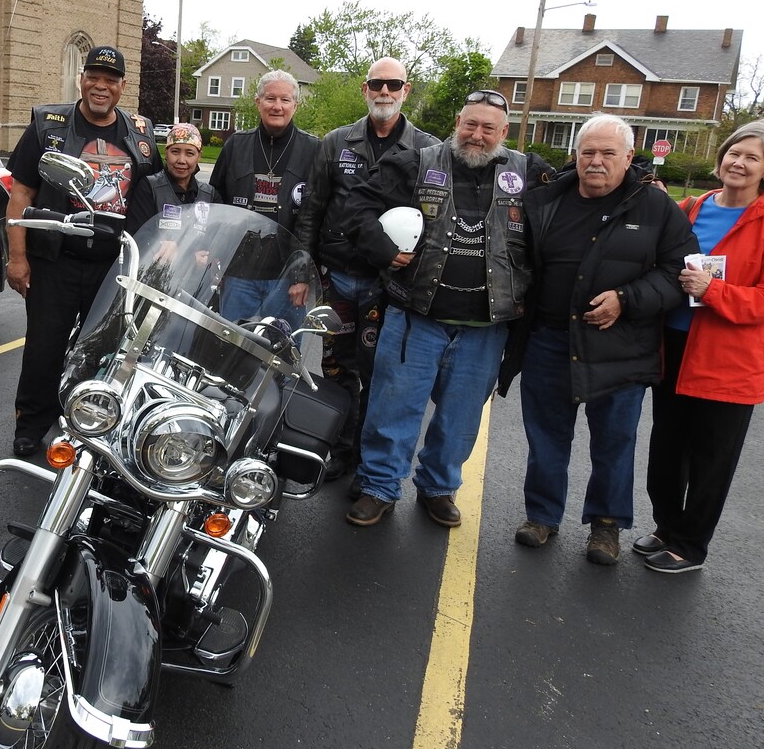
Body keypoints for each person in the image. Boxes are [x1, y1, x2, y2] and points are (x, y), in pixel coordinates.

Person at [339, 89, 552, 528]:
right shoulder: (416, 163)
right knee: (392, 408)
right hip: (415, 316)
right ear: (458, 122)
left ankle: (438, 487)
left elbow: (584, 192)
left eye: (488, 128)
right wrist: (382, 248)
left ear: (504, 132)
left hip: (486, 326)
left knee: (459, 419)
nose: (477, 135)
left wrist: (640, 178)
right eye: (470, 125)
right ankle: (380, 486)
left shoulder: (529, 172)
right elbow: (357, 206)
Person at [500, 113, 697, 565]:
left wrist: (627, 300)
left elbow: (679, 272)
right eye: (588, 152)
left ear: (629, 157)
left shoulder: (656, 208)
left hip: (620, 345)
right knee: (547, 435)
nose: (596, 161)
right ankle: (542, 516)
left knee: (614, 441)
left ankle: (606, 527)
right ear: (576, 155)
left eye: (608, 153)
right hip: (549, 339)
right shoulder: (546, 200)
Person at [638, 120, 764, 573]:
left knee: (711, 456)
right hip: (673, 346)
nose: (739, 163)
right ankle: (667, 527)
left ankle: (690, 546)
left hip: (730, 358)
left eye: (752, 158)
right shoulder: (691, 207)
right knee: (667, 448)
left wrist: (713, 291)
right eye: (734, 152)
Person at [5, 45, 161, 457]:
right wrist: (17, 257)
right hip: (55, 260)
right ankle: (32, 422)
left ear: (123, 87)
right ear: (82, 78)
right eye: (94, 76)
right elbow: (21, 191)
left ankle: (87, 423)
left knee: (101, 350)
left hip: (112, 265)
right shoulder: (47, 125)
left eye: (111, 80)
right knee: (45, 346)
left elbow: (155, 196)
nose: (101, 86)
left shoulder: (140, 134)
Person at [294, 57, 439, 487]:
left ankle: (368, 462)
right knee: (336, 369)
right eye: (377, 83)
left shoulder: (427, 149)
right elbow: (312, 211)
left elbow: (433, 220)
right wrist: (303, 270)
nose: (385, 92)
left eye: (394, 84)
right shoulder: (336, 142)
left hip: (387, 286)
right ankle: (340, 451)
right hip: (336, 279)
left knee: (381, 374)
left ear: (406, 90)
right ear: (365, 88)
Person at [209, 69, 320, 327]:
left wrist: (302, 276)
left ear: (296, 105)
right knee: (230, 353)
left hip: (287, 278)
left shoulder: (314, 149)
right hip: (239, 274)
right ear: (258, 102)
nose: (277, 106)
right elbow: (216, 205)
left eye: (285, 100)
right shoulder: (236, 145)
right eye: (270, 99)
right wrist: (218, 259)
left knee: (281, 357)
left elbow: (314, 217)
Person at [125, 122, 220, 234]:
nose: (181, 160)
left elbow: (217, 237)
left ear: (199, 156)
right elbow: (138, 235)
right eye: (175, 152)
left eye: (190, 153)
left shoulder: (209, 195)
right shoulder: (149, 188)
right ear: (166, 152)